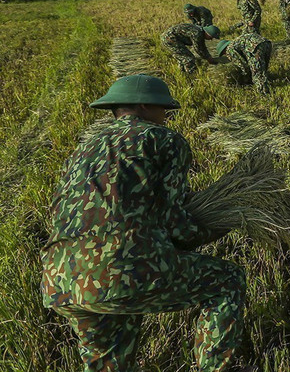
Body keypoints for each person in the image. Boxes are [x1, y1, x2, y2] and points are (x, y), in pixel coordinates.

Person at [40, 74, 247, 372]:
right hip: (120, 271)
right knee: (227, 280)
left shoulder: (82, 149)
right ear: (143, 105)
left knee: (108, 362)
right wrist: (218, 226)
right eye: (163, 108)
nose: (165, 116)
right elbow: (174, 222)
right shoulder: (163, 139)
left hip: (61, 279)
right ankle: (216, 367)